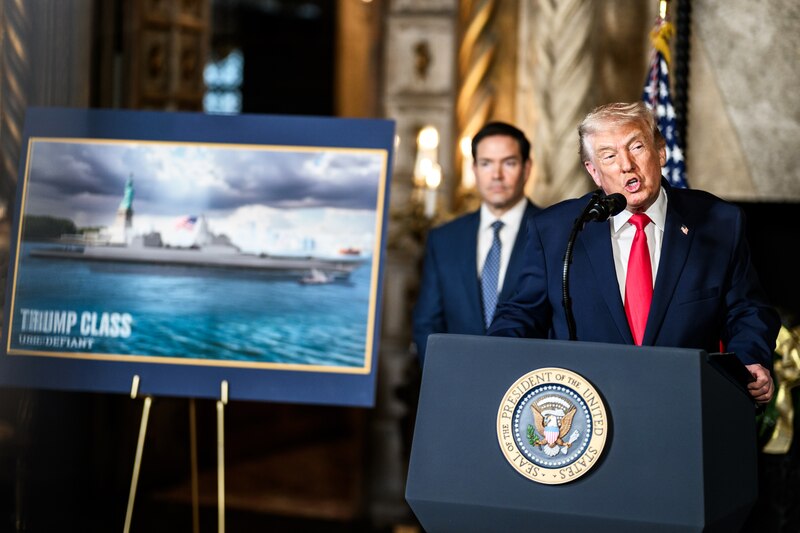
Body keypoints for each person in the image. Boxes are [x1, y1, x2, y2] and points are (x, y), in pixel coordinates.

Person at [488, 102, 778, 404]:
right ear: (594, 172)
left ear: (661, 151)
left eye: (636, 147)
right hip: (589, 412)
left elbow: (748, 310)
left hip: (686, 402)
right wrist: (490, 360)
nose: (626, 165)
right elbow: (520, 314)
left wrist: (750, 360)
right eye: (608, 156)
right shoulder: (558, 231)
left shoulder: (718, 222)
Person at [412, 122, 540, 364]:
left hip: (528, 388)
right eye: (486, 163)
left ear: (526, 168)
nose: (496, 175)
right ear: (474, 169)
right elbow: (427, 324)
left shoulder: (555, 232)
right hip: (458, 383)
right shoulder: (444, 239)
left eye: (509, 163)